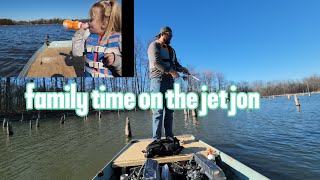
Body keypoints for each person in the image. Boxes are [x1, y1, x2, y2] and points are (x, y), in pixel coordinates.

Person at [148, 26, 190, 140]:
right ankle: (156, 140)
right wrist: (171, 71)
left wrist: (182, 69)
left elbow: (175, 64)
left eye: (172, 35)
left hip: (170, 81)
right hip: (158, 80)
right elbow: (156, 62)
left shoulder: (171, 50)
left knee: (170, 111)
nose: (171, 37)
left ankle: (169, 137)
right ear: (162, 34)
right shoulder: (154, 45)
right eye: (169, 35)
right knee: (158, 112)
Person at [72, 0, 122, 77]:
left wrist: (117, 61)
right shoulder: (88, 35)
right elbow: (77, 53)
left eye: (91, 19)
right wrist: (80, 33)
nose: (88, 22)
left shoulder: (119, 39)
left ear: (104, 24)